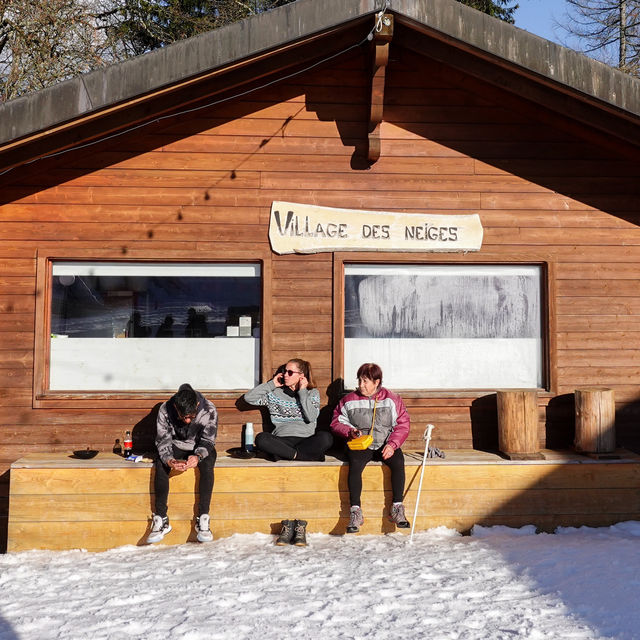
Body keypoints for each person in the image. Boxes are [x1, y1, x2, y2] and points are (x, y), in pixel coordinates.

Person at [243, 358, 333, 546]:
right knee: (261, 438)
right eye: (284, 371)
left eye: (290, 372)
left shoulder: (312, 393)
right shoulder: (274, 393)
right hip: (282, 440)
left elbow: (311, 417)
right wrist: (271, 384)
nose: (285, 375)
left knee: (326, 437)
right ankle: (301, 457)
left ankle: (292, 455)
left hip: (306, 441)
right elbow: (248, 398)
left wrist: (302, 392)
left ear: (302, 376)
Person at [330, 363, 410, 533]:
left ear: (376, 382)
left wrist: (392, 444)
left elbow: (402, 424)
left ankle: (397, 508)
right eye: (359, 380)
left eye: (365, 381)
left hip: (385, 443)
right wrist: (350, 431)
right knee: (355, 464)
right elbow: (337, 421)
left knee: (398, 462)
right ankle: (355, 511)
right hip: (361, 444)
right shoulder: (349, 400)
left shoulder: (392, 399)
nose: (361, 385)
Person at [147, 383, 218, 544]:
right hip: (176, 445)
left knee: (208, 464)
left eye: (191, 417)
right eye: (182, 416)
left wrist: (198, 456)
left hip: (200, 446)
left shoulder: (209, 409)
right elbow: (163, 440)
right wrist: (169, 459)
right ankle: (161, 518)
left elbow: (208, 440)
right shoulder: (166, 409)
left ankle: (203, 518)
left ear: (197, 405)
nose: (186, 421)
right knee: (160, 463)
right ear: (175, 406)